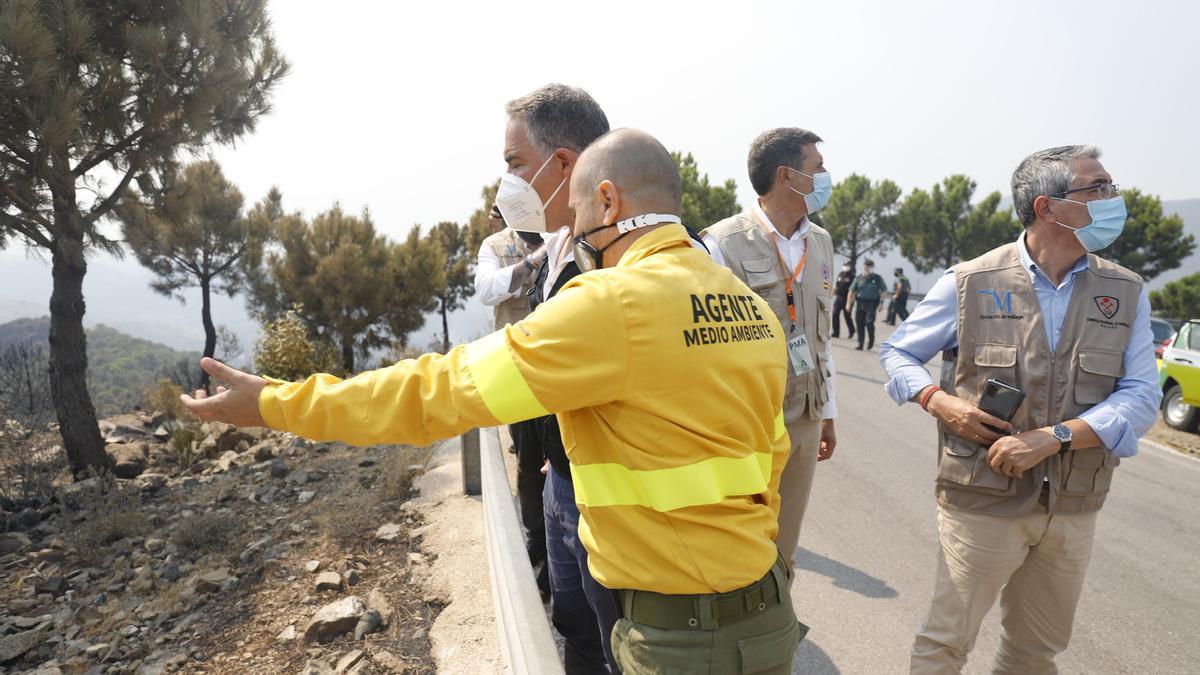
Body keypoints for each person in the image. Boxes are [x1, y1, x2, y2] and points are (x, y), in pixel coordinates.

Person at [180, 128, 806, 674]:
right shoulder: (749, 307)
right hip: (766, 616)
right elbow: (770, 455)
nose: (576, 232)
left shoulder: (609, 304)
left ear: (609, 200)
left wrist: (276, 403)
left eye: (581, 212)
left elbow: (438, 391)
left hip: (680, 641)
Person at [879, 145, 1161, 674]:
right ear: (1047, 208)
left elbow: (1141, 395)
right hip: (982, 500)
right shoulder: (970, 281)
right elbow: (898, 352)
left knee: (1035, 653)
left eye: (1111, 187)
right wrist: (940, 403)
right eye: (1096, 188)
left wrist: (1054, 437)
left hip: (1072, 507)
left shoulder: (1124, 291)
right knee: (946, 644)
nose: (1112, 199)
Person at [496, 83, 618, 674]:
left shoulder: (623, 259)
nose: (509, 184)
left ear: (563, 163)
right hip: (560, 477)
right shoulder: (556, 247)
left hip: (609, 499)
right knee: (576, 628)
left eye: (516, 165)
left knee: (614, 638)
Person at [703, 127, 838, 578]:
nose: (825, 176)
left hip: (804, 418)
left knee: (784, 551)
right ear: (787, 176)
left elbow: (819, 335)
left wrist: (828, 412)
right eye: (817, 168)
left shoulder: (821, 242)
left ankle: (774, 643)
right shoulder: (720, 244)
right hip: (745, 425)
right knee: (735, 546)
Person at [473, 203, 552, 597]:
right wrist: (535, 260)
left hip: (563, 368)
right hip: (519, 371)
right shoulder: (496, 246)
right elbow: (487, 290)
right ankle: (538, 545)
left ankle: (562, 551)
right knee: (528, 459)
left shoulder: (563, 233)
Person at [847, 258, 886, 350]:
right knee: (859, 323)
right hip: (860, 302)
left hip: (872, 303)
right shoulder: (859, 278)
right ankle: (860, 343)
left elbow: (884, 291)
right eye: (866, 267)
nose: (867, 269)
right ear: (864, 267)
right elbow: (851, 292)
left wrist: (881, 304)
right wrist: (848, 304)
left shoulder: (877, 278)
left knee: (869, 322)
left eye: (869, 267)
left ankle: (871, 339)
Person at [832, 261, 855, 339]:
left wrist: (850, 302)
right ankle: (836, 332)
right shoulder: (840, 274)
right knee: (835, 314)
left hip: (848, 298)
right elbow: (836, 285)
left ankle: (852, 330)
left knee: (847, 316)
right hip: (839, 297)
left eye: (847, 265)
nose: (845, 266)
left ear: (850, 266)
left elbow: (853, 290)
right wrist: (832, 293)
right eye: (844, 265)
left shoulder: (852, 276)